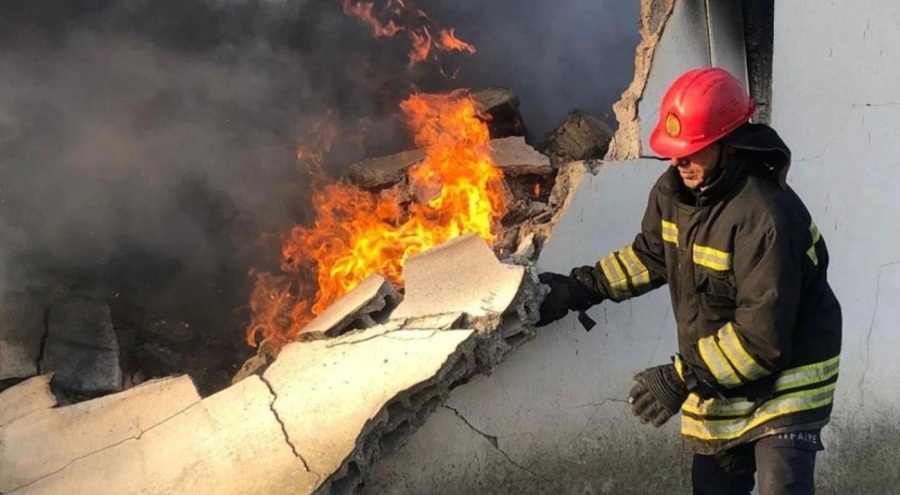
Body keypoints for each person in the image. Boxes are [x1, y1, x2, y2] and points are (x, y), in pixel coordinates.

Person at [536, 67, 842, 495]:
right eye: (675, 150)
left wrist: (682, 378)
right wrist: (578, 289)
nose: (680, 161)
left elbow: (762, 339)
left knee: (782, 487)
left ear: (729, 145)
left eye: (694, 150)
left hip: (788, 377)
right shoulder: (675, 193)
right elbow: (651, 257)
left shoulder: (765, 217)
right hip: (719, 374)